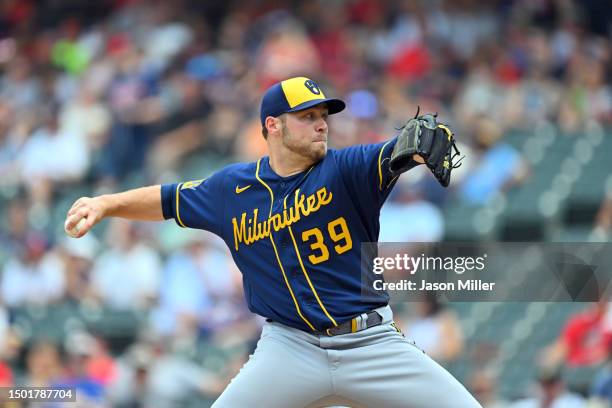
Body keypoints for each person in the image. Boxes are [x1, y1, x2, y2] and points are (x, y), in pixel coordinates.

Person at [65, 76, 480, 407]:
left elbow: (392, 153)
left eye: (324, 114)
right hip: (289, 348)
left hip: (369, 341)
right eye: (307, 115)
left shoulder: (347, 168)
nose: (322, 123)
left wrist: (418, 147)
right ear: (273, 125)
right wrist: (106, 203)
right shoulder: (232, 189)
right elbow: (167, 199)